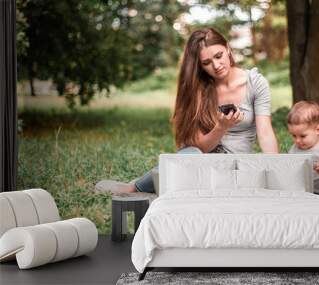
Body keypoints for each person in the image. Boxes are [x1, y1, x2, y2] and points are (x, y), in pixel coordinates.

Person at [95, 27, 278, 194]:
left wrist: (278, 171)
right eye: (206, 62)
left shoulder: (255, 83)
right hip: (201, 160)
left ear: (228, 48)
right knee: (189, 156)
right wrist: (220, 127)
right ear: (199, 65)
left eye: (218, 55)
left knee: (190, 174)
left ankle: (162, 180)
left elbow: (265, 133)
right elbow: (198, 147)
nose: (216, 65)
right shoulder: (197, 88)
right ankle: (134, 188)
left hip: (236, 166)